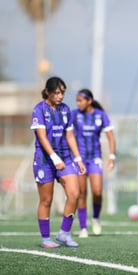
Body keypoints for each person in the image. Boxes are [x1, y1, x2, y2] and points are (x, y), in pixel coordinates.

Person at [31, 76, 86, 248]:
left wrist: (77, 159)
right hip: (45, 160)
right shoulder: (38, 110)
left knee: (75, 193)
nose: (60, 96)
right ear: (47, 92)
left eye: (62, 92)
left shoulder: (65, 110)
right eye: (56, 93)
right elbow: (41, 136)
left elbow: (69, 135)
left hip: (66, 158)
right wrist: (54, 158)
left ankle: (64, 233)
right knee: (46, 200)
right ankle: (45, 238)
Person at [72, 89, 116, 237]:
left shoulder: (100, 115)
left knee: (97, 191)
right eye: (77, 101)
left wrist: (111, 156)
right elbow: (67, 133)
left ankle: (96, 218)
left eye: (81, 100)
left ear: (89, 100)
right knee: (82, 193)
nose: (78, 103)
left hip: (95, 158)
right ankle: (83, 227)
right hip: (80, 160)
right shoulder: (75, 115)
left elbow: (110, 136)